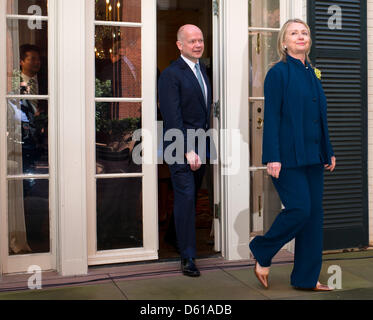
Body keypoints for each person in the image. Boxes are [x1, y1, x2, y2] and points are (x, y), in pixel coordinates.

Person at [249, 19, 336, 291]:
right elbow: (271, 117)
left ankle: (306, 279)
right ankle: (262, 250)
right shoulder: (278, 73)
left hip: (313, 155)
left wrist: (328, 151)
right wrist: (272, 156)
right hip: (286, 157)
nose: (301, 37)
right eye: (294, 33)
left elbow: (321, 117)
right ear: (284, 42)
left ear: (309, 40)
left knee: (313, 217)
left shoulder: (313, 73)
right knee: (300, 209)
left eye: (304, 33)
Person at [158, 24, 212, 277]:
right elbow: (172, 117)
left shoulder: (203, 70)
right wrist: (187, 149)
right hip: (181, 147)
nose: (198, 45)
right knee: (187, 197)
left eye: (200, 40)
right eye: (192, 41)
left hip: (202, 145)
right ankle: (188, 256)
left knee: (188, 197)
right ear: (180, 45)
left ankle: (172, 236)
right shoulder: (171, 74)